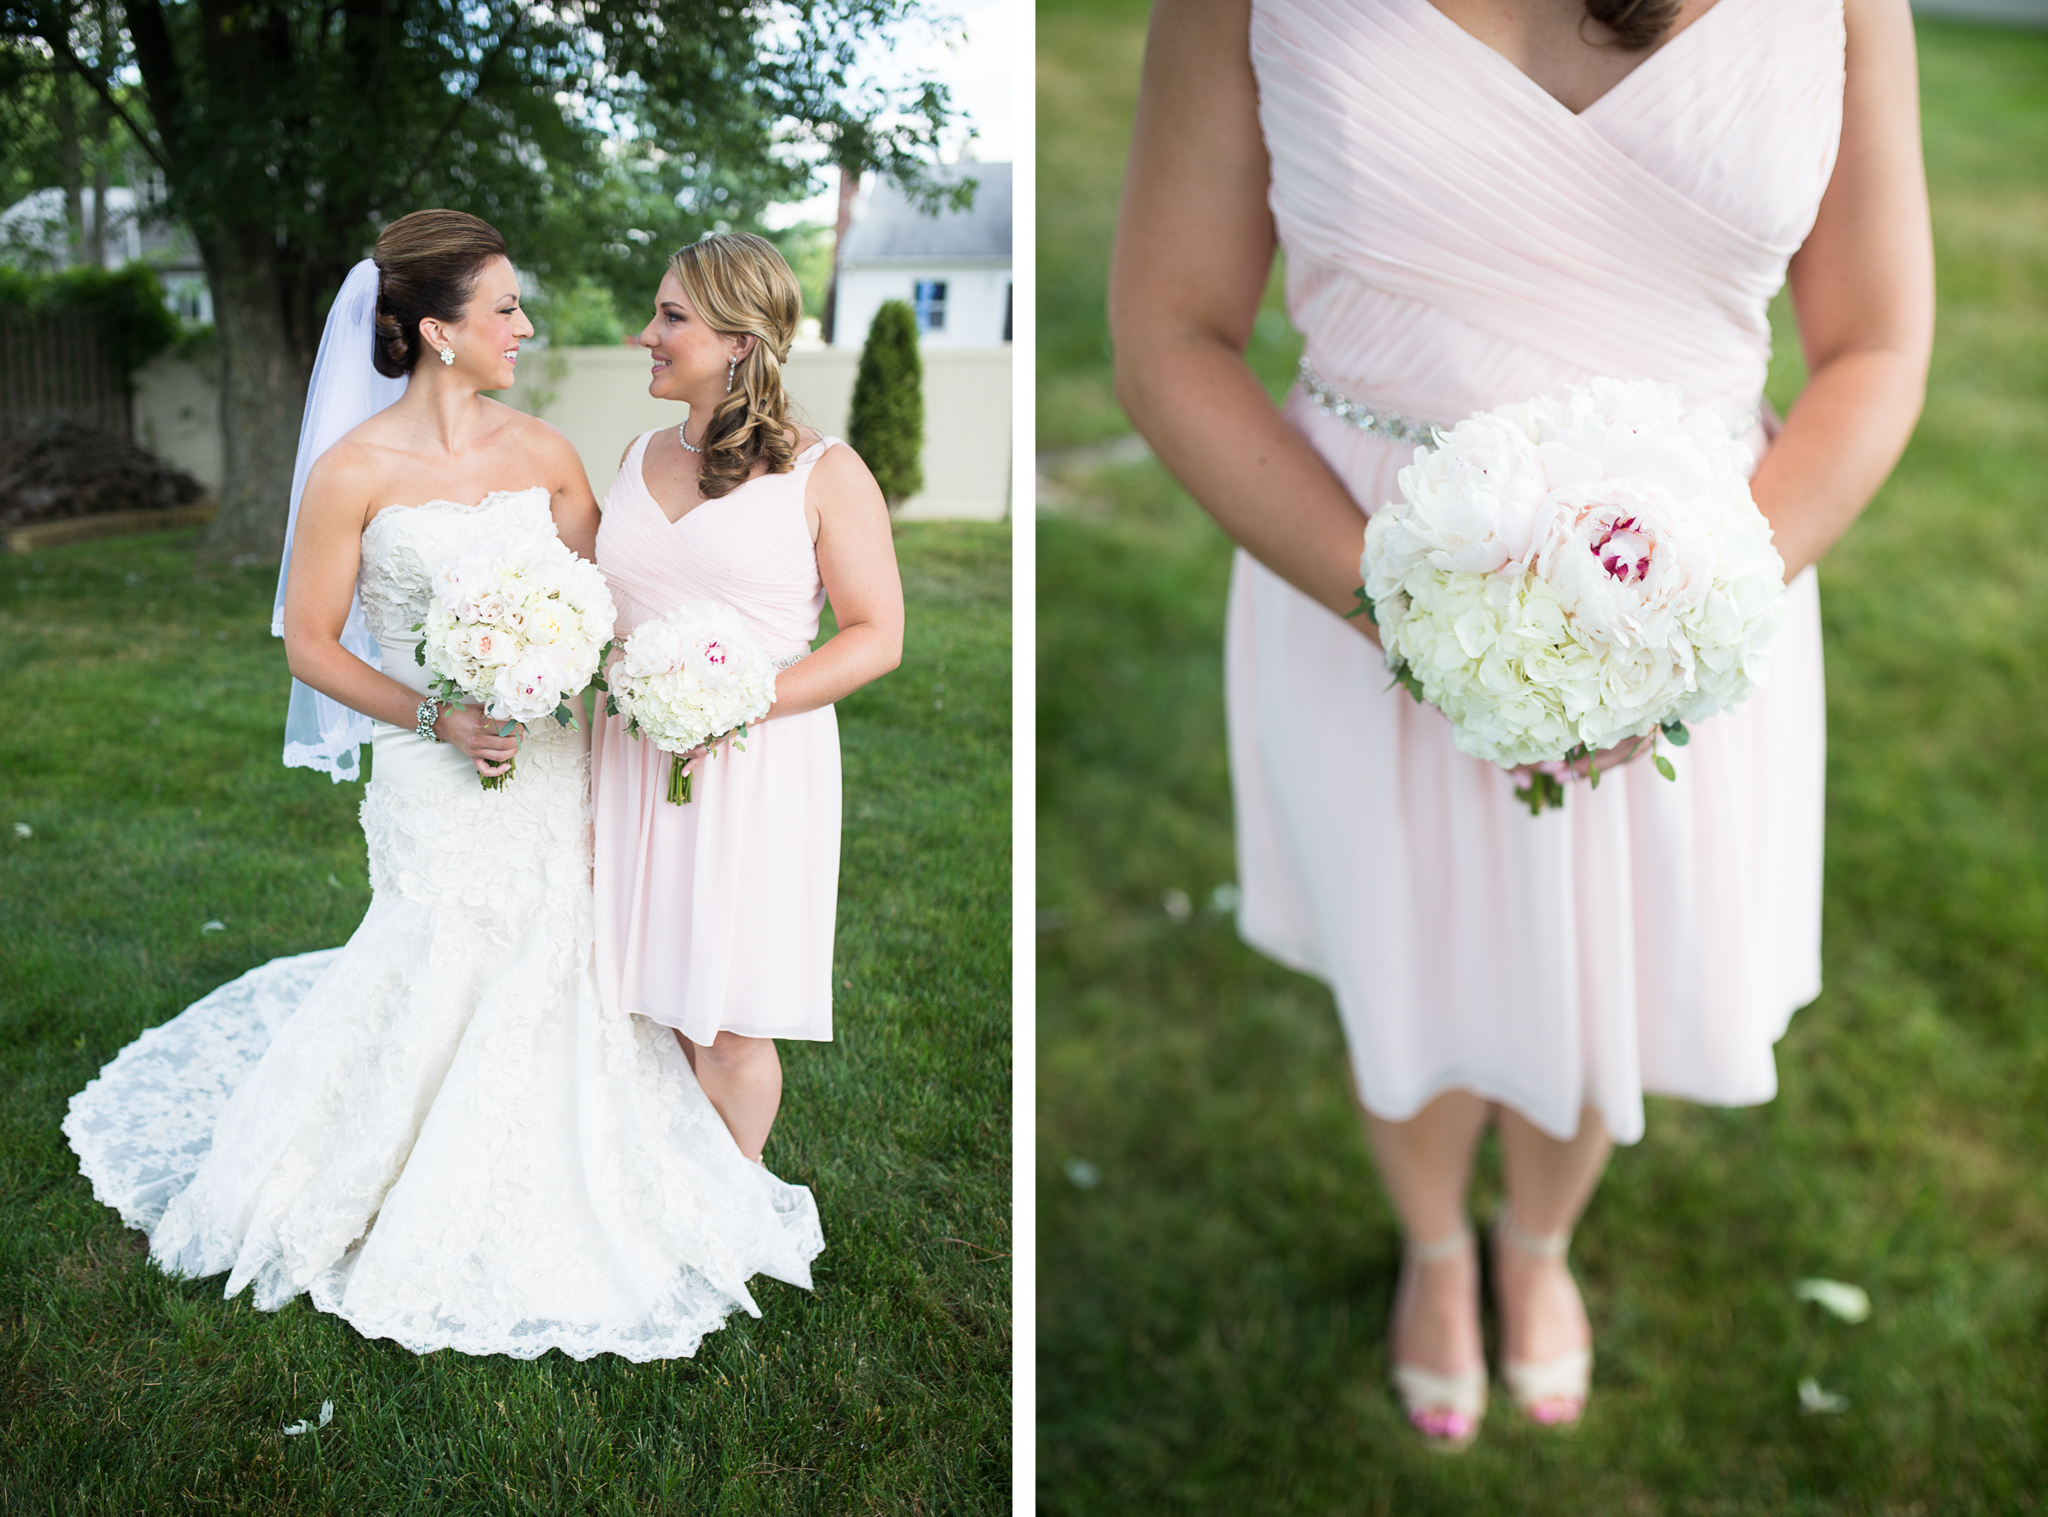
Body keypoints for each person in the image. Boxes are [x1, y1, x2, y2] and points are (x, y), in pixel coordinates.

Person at [1110, 0, 1931, 1446]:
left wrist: (1680, 629)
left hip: (1687, 590)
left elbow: (1874, 343)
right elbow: (1172, 331)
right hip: (1358, 569)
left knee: (1604, 968)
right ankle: (1435, 1241)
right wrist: (1409, 616)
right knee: (1404, 951)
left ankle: (1537, 1244)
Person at [63, 209, 823, 1360]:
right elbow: (313, 644)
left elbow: (609, 603)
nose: (526, 324)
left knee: (562, 958)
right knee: (439, 951)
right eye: (504, 307)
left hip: (555, 759)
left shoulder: (547, 453)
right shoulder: (350, 473)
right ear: (435, 331)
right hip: (429, 756)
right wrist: (438, 711)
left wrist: (596, 666)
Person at [589, 232, 903, 1165]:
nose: (647, 334)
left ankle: (732, 1199)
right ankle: (648, 1180)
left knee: (723, 1016)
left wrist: (737, 704)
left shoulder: (825, 473)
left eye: (671, 316)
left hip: (751, 765)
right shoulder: (637, 453)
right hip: (629, 758)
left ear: (737, 339)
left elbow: (876, 636)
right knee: (639, 993)